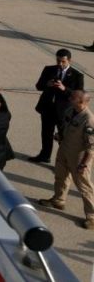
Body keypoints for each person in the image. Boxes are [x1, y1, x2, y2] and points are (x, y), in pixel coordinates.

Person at [38, 90, 94, 230]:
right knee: (61, 176)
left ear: (81, 102)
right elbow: (65, 125)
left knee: (84, 186)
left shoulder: (89, 120)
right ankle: (58, 200)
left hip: (78, 157)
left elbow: (91, 147)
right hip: (64, 149)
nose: (70, 99)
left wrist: (84, 164)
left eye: (73, 98)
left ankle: (92, 217)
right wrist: (60, 135)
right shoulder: (70, 110)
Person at [31, 49, 85, 163]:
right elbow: (39, 86)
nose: (60, 64)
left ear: (69, 60)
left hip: (64, 111)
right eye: (58, 60)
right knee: (46, 133)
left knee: (63, 137)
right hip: (47, 108)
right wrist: (47, 84)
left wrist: (64, 88)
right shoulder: (49, 69)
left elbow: (79, 95)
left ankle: (63, 161)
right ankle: (45, 155)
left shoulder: (77, 75)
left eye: (63, 61)